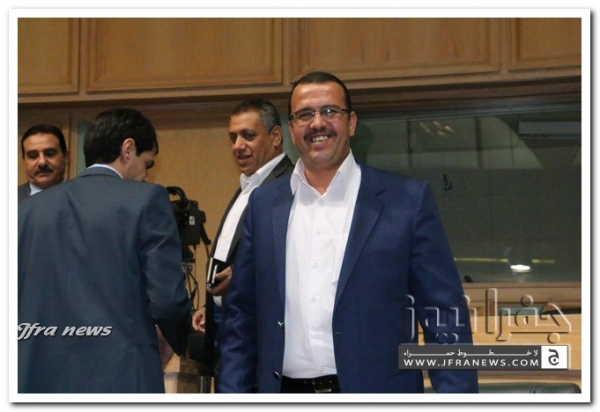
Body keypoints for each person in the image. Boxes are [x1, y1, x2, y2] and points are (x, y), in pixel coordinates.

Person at [218, 72, 478, 393]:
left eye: (330, 111)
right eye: (304, 115)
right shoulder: (263, 205)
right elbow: (241, 318)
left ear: (351, 123)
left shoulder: (406, 201)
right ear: (292, 131)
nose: (317, 123)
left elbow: (444, 316)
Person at [18, 108, 192, 393]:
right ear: (128, 149)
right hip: (121, 376)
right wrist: (173, 339)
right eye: (147, 164)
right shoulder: (147, 199)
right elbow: (167, 299)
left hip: (36, 378)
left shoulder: (24, 212)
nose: (146, 175)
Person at [190, 98, 294, 389]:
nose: (238, 145)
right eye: (233, 137)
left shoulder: (291, 184)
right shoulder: (248, 185)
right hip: (226, 322)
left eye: (248, 135)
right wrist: (212, 305)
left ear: (276, 136)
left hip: (259, 334)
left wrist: (239, 277)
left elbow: (291, 255)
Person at [18, 124, 69, 201]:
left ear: (66, 157)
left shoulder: (83, 196)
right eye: (33, 156)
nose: (42, 162)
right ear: (24, 160)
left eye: (50, 154)